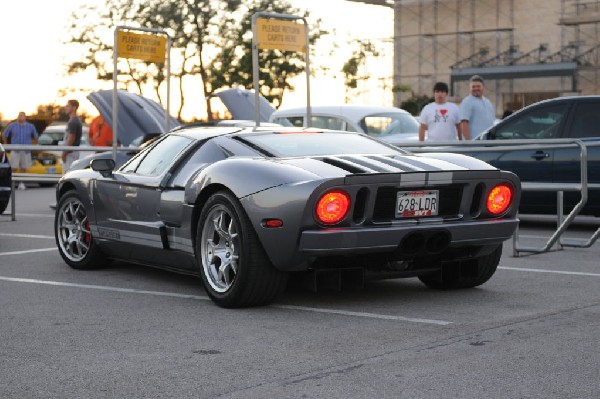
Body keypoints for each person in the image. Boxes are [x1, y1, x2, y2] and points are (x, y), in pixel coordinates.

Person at [2, 111, 39, 190]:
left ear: (25, 117)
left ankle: (21, 183)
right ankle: (13, 182)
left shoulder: (30, 126)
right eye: (19, 115)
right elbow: (5, 134)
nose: (20, 117)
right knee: (13, 167)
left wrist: (34, 146)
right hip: (15, 150)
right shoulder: (12, 125)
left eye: (22, 116)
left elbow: (36, 136)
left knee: (24, 167)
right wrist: (6, 144)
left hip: (26, 150)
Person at [459, 75, 496, 140]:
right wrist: (468, 143)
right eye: (473, 87)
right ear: (470, 88)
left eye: (478, 86)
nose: (476, 88)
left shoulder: (488, 102)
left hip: (487, 142)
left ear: (483, 87)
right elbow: (464, 123)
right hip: (474, 144)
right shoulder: (467, 102)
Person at [62, 99, 83, 173]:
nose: (66, 108)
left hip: (71, 153)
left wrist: (64, 153)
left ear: (74, 108)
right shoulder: (75, 120)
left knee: (67, 175)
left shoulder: (73, 121)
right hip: (72, 152)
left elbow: (71, 138)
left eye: (68, 106)